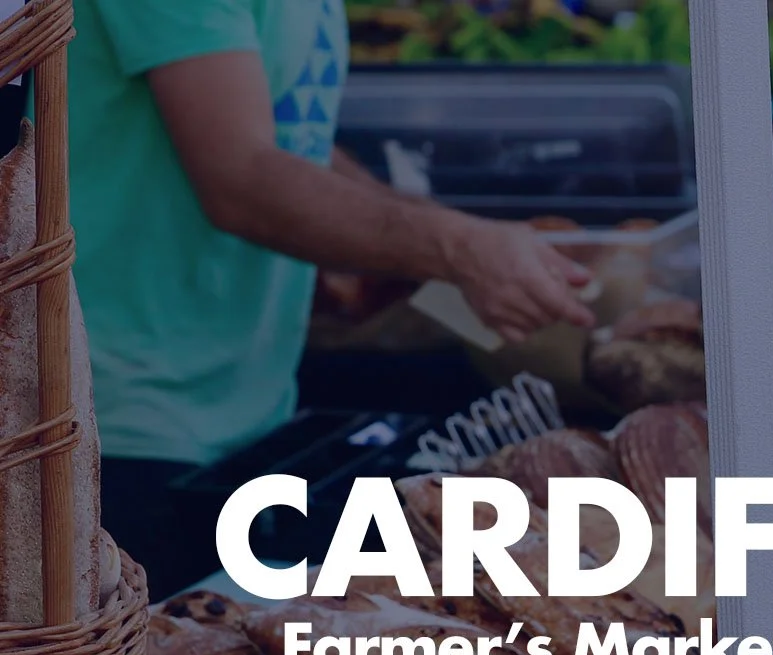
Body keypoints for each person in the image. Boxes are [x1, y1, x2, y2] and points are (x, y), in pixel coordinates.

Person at [67, 0, 594, 599]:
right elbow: (239, 177)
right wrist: (456, 248)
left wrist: (424, 243)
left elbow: (289, 140)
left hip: (243, 411)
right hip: (121, 431)